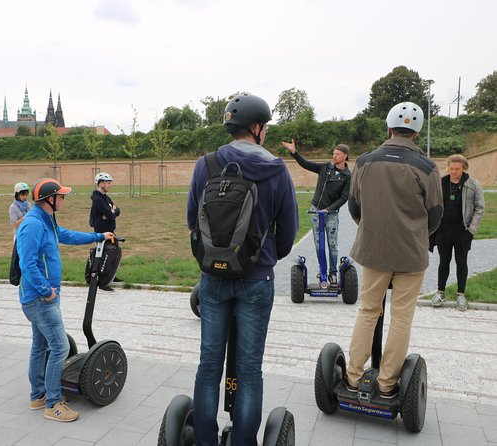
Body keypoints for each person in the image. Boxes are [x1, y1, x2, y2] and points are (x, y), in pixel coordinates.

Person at [187, 93, 298, 445]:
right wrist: (265, 257)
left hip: (213, 276)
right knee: (249, 371)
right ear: (257, 128)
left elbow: (192, 218)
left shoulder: (205, 164)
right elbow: (289, 230)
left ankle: (205, 439)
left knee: (208, 366)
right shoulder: (276, 169)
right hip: (256, 279)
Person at [345, 101, 443, 399]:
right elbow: (436, 214)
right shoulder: (427, 167)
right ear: (416, 133)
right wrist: (416, 234)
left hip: (373, 250)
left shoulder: (363, 162)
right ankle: (388, 384)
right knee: (401, 317)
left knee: (367, 310)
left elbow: (354, 206)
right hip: (410, 254)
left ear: (389, 128)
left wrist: (371, 227)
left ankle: (352, 377)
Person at [16, 178, 114, 422]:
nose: (63, 199)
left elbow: (66, 235)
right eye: (61, 196)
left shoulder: (46, 220)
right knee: (59, 347)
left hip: (41, 298)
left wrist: (99, 236)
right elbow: (26, 263)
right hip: (40, 299)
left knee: (40, 346)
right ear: (49, 199)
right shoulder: (32, 225)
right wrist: (46, 290)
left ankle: (38, 395)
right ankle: (53, 403)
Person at [281, 140, 351, 283]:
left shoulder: (347, 176)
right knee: (319, 244)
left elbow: (344, 198)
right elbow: (306, 164)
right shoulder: (325, 167)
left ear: (345, 156)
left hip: (331, 214)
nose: (334, 156)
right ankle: (322, 270)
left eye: (337, 154)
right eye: (333, 153)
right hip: (316, 211)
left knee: (332, 245)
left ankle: (332, 273)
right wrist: (294, 152)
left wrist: (329, 209)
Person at [430, 154, 485, 311]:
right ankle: (440, 292)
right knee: (443, 261)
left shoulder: (473, 185)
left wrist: (471, 230)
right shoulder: (440, 183)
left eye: (457, 169)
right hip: (443, 231)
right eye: (451, 168)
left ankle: (461, 295)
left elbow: (479, 208)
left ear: (464, 169)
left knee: (461, 262)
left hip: (462, 232)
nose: (453, 172)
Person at [90, 172, 122, 291]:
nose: (109, 185)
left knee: (113, 253)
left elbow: (116, 210)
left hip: (110, 230)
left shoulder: (105, 198)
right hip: (102, 231)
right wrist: (111, 212)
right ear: (101, 183)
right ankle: (102, 281)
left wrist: (112, 212)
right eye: (108, 183)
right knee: (103, 255)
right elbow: (111, 213)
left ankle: (111, 275)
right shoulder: (98, 199)